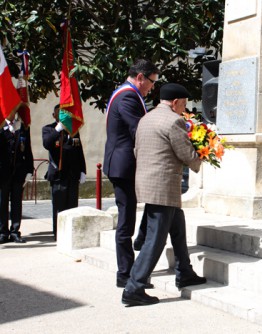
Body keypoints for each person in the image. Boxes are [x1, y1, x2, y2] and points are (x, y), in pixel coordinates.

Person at [122, 83, 206, 306]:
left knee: (177, 228)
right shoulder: (173, 121)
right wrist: (203, 155)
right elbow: (185, 153)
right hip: (164, 186)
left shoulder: (146, 118)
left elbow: (137, 149)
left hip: (148, 183)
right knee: (155, 239)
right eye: (184, 104)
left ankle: (185, 272)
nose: (184, 109)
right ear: (176, 102)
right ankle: (134, 286)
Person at [103, 59, 160, 289]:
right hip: (123, 166)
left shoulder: (127, 94)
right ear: (140, 77)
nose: (152, 87)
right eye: (151, 82)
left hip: (126, 164)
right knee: (126, 222)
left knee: (142, 209)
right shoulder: (128, 96)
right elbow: (138, 129)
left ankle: (138, 248)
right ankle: (125, 274)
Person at [42, 104, 86, 240]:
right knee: (59, 209)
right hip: (58, 176)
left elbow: (79, 151)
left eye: (64, 114)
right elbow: (47, 144)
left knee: (72, 207)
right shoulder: (49, 129)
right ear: (54, 115)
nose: (62, 117)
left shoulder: (72, 131)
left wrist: (83, 170)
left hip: (72, 175)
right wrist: (57, 130)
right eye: (59, 114)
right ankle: (59, 235)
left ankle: (71, 235)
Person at [0, 114, 33, 243]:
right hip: (3, 172)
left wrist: (29, 170)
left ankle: (15, 231)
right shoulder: (1, 126)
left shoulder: (23, 126)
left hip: (18, 171)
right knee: (2, 203)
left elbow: (27, 149)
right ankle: (2, 232)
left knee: (16, 202)